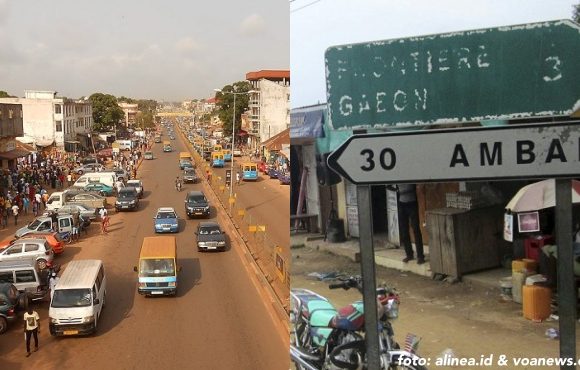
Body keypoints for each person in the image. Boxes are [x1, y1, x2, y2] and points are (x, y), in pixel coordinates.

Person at [395, 184, 425, 264]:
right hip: (402, 204)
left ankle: (420, 256)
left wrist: (401, 191)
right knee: (404, 231)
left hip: (412, 203)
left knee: (416, 229)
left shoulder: (409, 175)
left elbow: (413, 186)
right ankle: (409, 254)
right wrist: (397, 190)